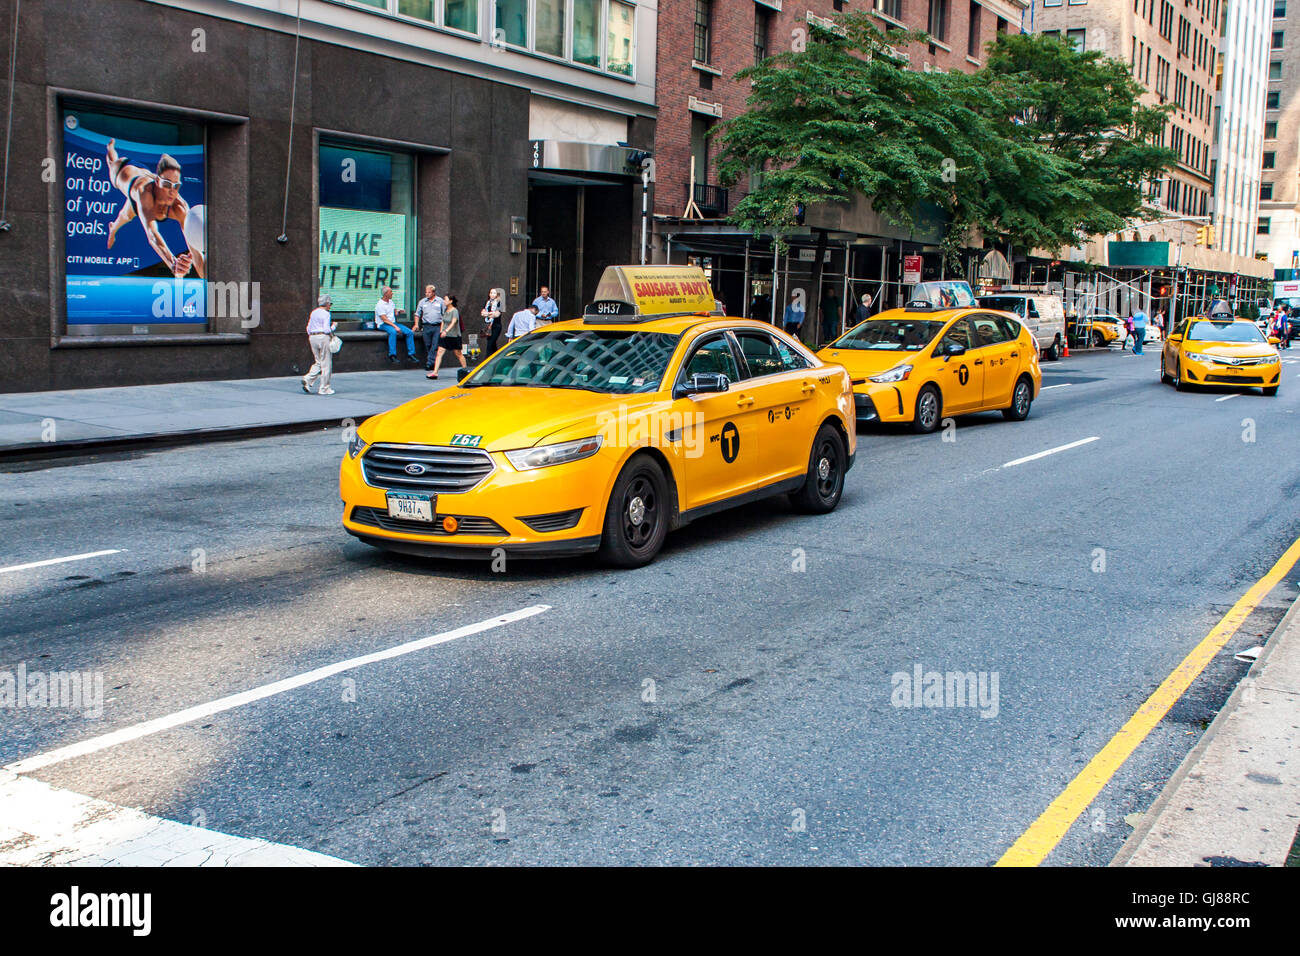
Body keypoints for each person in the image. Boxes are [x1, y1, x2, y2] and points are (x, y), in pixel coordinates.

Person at [104, 139, 197, 277]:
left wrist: (192, 257)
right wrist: (173, 264)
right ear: (159, 182)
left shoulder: (179, 202)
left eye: (176, 186)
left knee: (126, 215)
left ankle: (113, 228)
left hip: (144, 172)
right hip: (122, 170)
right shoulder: (143, 192)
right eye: (167, 184)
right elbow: (152, 235)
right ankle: (110, 148)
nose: (172, 191)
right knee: (112, 163)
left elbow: (191, 234)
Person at [301, 294, 337, 396]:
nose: (330, 306)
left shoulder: (314, 312)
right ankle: (324, 388)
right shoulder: (326, 314)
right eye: (330, 303)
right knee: (326, 364)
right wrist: (333, 326)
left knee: (318, 361)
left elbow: (308, 328)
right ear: (326, 303)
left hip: (312, 337)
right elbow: (326, 329)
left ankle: (308, 379)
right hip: (323, 337)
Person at [375, 286, 417, 364]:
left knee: (409, 332)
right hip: (383, 324)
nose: (392, 293)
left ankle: (411, 354)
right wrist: (395, 327)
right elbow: (384, 319)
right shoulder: (379, 305)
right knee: (393, 332)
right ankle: (392, 355)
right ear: (386, 294)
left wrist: (398, 312)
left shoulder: (391, 302)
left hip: (393, 323)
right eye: (391, 292)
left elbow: (393, 312)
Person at [429, 295, 466, 378]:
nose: (444, 301)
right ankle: (435, 372)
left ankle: (465, 370)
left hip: (454, 336)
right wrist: (441, 331)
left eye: (445, 300)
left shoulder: (454, 311)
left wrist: (446, 331)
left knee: (458, 354)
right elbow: (443, 321)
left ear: (451, 301)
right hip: (444, 336)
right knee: (439, 352)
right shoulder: (446, 310)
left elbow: (453, 322)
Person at [412, 284, 443, 371]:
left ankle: (429, 363)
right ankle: (433, 362)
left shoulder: (440, 301)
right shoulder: (422, 302)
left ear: (433, 292)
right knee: (428, 344)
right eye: (426, 292)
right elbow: (417, 314)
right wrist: (416, 324)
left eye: (429, 292)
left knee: (435, 345)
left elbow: (445, 314)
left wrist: (444, 328)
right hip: (426, 326)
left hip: (437, 326)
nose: (427, 294)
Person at [481, 288, 504, 355]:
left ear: (497, 295)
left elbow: (497, 314)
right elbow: (482, 313)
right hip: (488, 326)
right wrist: (490, 314)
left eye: (494, 293)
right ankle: (497, 358)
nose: (492, 294)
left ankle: (486, 361)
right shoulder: (487, 302)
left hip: (496, 326)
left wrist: (487, 314)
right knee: (493, 345)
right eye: (491, 293)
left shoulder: (499, 303)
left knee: (490, 344)